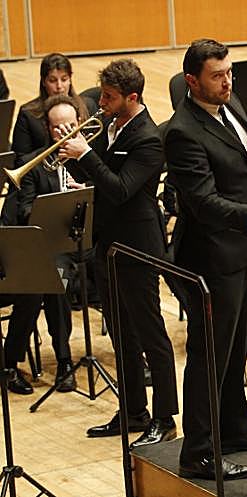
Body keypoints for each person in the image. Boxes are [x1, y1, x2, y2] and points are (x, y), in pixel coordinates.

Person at [165, 38, 247, 480]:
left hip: (241, 249)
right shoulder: (182, 132)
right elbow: (203, 203)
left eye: (229, 72)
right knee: (210, 356)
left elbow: (238, 151)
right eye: (217, 75)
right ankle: (198, 451)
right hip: (211, 258)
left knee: (236, 346)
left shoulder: (229, 102)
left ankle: (236, 427)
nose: (227, 82)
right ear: (191, 81)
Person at [58, 59, 178, 449]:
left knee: (150, 333)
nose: (101, 103)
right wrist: (74, 161)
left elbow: (122, 188)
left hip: (139, 246)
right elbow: (98, 175)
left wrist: (85, 156)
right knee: (121, 333)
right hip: (108, 244)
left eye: (109, 97)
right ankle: (133, 410)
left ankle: (165, 417)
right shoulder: (111, 126)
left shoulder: (148, 139)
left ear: (132, 97)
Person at [12, 94, 89, 393]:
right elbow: (24, 211)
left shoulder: (90, 160)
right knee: (51, 280)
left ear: (79, 123)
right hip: (50, 247)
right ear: (48, 128)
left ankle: (134, 357)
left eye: (69, 126)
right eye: (57, 128)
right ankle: (62, 362)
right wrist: (56, 205)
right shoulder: (34, 165)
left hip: (87, 244)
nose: (64, 133)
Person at [12, 53, 96, 168]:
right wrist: (52, 147)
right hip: (46, 173)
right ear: (43, 82)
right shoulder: (28, 114)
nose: (59, 86)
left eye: (64, 79)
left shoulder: (88, 106)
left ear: (70, 79)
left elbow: (99, 150)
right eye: (52, 80)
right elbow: (20, 159)